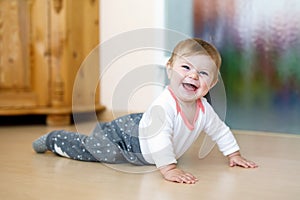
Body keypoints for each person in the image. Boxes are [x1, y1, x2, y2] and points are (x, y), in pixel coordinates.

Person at [32, 38, 258, 184]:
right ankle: (55, 139)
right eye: (186, 67)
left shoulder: (204, 110)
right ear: (169, 70)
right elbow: (160, 138)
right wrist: (169, 168)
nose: (193, 76)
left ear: (213, 83)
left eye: (203, 73)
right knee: (99, 151)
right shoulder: (164, 105)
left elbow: (220, 130)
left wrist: (233, 154)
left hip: (145, 127)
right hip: (130, 138)